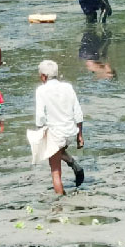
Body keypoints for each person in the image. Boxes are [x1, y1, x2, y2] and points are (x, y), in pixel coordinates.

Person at [31, 60, 84, 195]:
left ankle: (61, 205)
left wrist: (40, 132)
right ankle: (72, 163)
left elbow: (40, 117)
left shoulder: (41, 90)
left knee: (55, 172)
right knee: (59, 149)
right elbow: (78, 112)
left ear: (43, 76)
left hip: (56, 134)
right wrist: (80, 136)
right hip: (70, 132)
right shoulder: (68, 87)